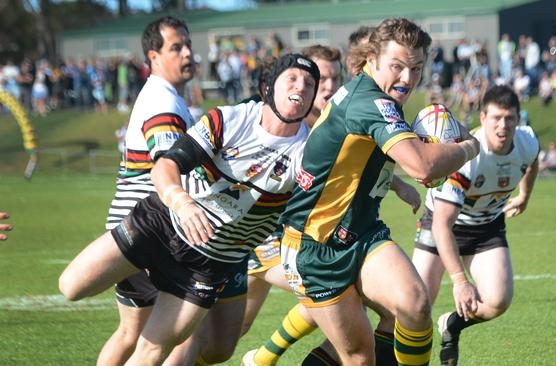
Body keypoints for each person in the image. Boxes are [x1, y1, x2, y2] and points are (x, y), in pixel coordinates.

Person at [59, 53, 320, 365]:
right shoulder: (229, 119)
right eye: (292, 78)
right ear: (267, 87)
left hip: (209, 262)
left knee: (154, 350)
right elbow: (165, 165)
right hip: (161, 223)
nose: (301, 87)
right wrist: (182, 203)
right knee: (71, 286)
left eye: (309, 84)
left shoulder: (309, 152)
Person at [273, 18, 479, 365]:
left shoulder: (378, 95)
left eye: (416, 68)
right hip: (315, 247)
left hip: (361, 232)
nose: (407, 78)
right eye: (397, 66)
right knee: (357, 357)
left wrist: (401, 180)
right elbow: (422, 167)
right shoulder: (371, 102)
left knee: (412, 305)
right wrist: (469, 147)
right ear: (372, 59)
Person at [242, 44, 422, 366]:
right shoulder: (290, 124)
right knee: (223, 337)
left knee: (379, 312)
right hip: (271, 238)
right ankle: (261, 358)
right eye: (319, 79)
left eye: (333, 78)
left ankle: (262, 359)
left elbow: (352, 164)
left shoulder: (338, 117)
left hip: (309, 237)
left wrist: (397, 184)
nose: (326, 86)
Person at [411, 85, 540, 366]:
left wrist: (524, 196)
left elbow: (533, 162)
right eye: (496, 118)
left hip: (487, 227)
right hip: (441, 224)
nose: (503, 125)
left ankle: (452, 325)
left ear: (518, 119)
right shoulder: (467, 158)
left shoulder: (528, 141)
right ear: (482, 117)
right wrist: (459, 282)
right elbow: (443, 226)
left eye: (509, 118)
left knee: (497, 301)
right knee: (416, 307)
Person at [97, 16, 199, 366]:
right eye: (176, 47)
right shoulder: (163, 102)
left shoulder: (164, 96)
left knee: (131, 334)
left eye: (188, 45)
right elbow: (165, 167)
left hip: (130, 227)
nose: (187, 53)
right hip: (147, 233)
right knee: (179, 335)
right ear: (153, 56)